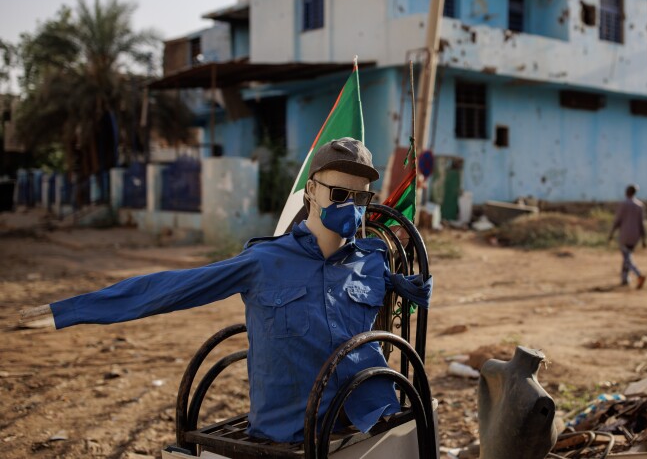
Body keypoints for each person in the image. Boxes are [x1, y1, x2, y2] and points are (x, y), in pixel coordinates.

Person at [18, 137, 431, 444]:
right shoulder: (264, 262)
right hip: (290, 432)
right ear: (311, 191)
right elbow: (172, 287)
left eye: (361, 197)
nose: (352, 206)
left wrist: (410, 289)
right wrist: (69, 311)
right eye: (340, 194)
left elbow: (401, 309)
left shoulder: (372, 260)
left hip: (366, 416)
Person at [607, 184, 647, 289]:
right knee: (627, 257)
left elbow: (617, 221)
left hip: (625, 235)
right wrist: (644, 239)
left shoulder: (623, 204)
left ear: (627, 192)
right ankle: (625, 279)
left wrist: (611, 234)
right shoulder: (639, 205)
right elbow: (642, 224)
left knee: (627, 258)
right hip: (635, 236)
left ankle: (638, 274)